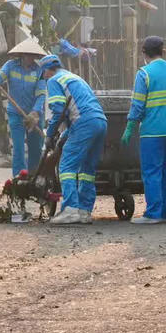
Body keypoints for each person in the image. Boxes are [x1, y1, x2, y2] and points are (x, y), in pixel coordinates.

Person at [123, 36, 166, 224]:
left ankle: (153, 214)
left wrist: (130, 126)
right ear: (163, 51)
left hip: (153, 131)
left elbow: (138, 105)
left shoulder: (144, 74)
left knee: (152, 172)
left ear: (144, 53)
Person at [41, 54, 107, 225]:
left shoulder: (54, 80)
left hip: (83, 122)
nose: (44, 78)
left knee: (67, 165)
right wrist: (63, 135)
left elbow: (58, 109)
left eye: (44, 74)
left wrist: (49, 135)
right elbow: (74, 108)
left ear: (47, 70)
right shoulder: (75, 78)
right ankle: (84, 210)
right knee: (87, 169)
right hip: (100, 121)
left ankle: (70, 209)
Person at [0, 38, 48, 178]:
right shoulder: (10, 66)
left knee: (35, 149)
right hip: (15, 113)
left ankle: (34, 177)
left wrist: (34, 113)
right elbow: (0, 76)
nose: (31, 58)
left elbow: (41, 94)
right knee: (18, 149)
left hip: (34, 115)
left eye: (33, 56)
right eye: (28, 55)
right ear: (22, 54)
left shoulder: (39, 70)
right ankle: (19, 178)